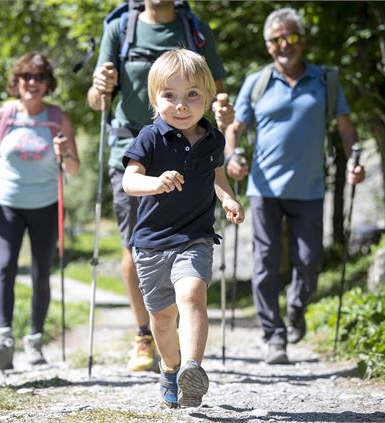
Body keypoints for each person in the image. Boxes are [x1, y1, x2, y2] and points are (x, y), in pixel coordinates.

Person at [87, 0, 234, 373]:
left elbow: (216, 90)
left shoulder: (194, 28)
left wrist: (224, 120)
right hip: (134, 149)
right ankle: (145, 334)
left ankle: (189, 362)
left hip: (194, 148)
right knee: (134, 244)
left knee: (191, 284)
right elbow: (97, 100)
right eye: (169, 94)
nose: (181, 101)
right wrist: (99, 88)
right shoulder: (120, 29)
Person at [224, 7, 366, 365]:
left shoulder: (325, 81)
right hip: (264, 189)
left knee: (309, 261)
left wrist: (354, 160)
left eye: (291, 37)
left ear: (302, 40)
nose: (284, 44)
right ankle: (274, 336)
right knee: (265, 264)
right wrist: (234, 157)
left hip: (310, 189)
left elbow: (346, 128)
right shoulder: (256, 83)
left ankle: (297, 310)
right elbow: (233, 131)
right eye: (277, 39)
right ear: (269, 46)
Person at [123, 49, 244, 408]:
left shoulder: (213, 138)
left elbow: (217, 176)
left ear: (207, 96)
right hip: (151, 244)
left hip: (195, 236)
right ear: (155, 100)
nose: (181, 105)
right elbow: (130, 181)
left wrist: (228, 199)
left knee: (192, 295)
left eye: (192, 94)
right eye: (169, 95)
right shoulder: (149, 137)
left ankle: (193, 368)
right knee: (161, 318)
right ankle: (171, 368)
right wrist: (155, 182)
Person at [0, 52, 79, 370]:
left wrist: (65, 151)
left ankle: (34, 341)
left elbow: (74, 167)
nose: (32, 82)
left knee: (41, 272)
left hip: (47, 205)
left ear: (48, 84)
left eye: (39, 77)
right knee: (5, 266)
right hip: (6, 204)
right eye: (26, 76)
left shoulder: (58, 118)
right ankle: (3, 339)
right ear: (16, 81)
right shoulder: (2, 115)